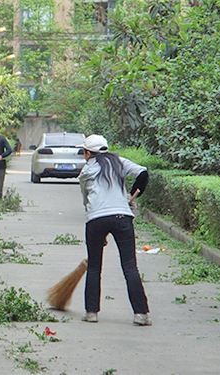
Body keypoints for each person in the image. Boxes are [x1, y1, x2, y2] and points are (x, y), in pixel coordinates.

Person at [78, 134, 151, 326]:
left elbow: (87, 201)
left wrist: (98, 232)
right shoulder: (119, 162)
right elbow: (143, 173)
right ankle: (141, 314)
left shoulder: (86, 171)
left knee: (94, 266)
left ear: (88, 153)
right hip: (122, 217)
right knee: (129, 266)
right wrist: (132, 197)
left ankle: (91, 312)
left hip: (95, 219)